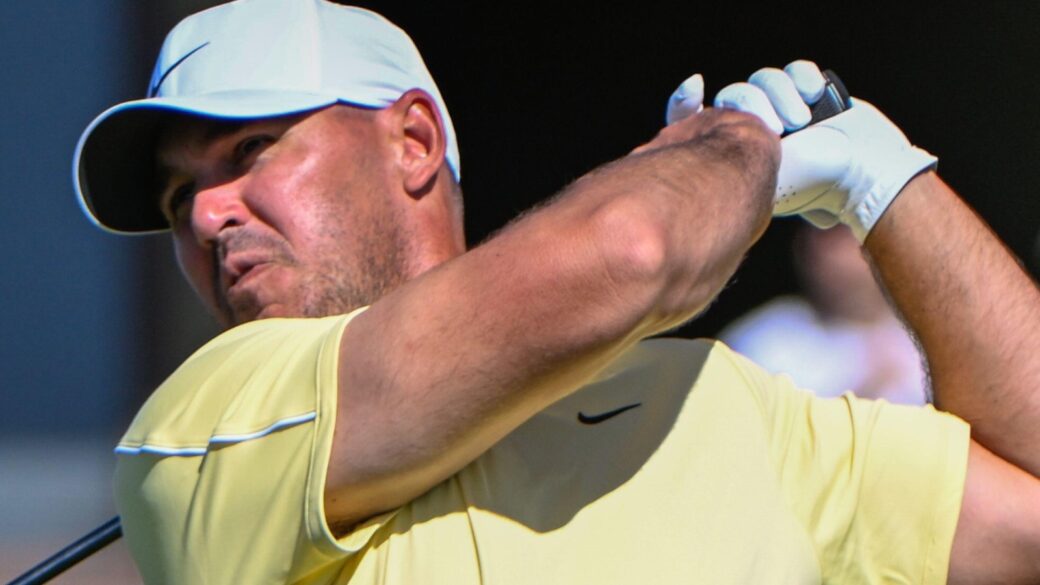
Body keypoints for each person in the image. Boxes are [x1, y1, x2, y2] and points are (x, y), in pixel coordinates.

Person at [73, 1, 1040, 583]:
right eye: (179, 194)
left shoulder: (717, 404)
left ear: (413, 144)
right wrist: (734, 145)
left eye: (249, 153)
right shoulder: (199, 432)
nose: (206, 216)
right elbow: (633, 246)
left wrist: (887, 181)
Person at [721, 223, 928, 405]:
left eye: (852, 234)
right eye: (826, 234)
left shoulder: (931, 340)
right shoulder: (764, 340)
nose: (836, 252)